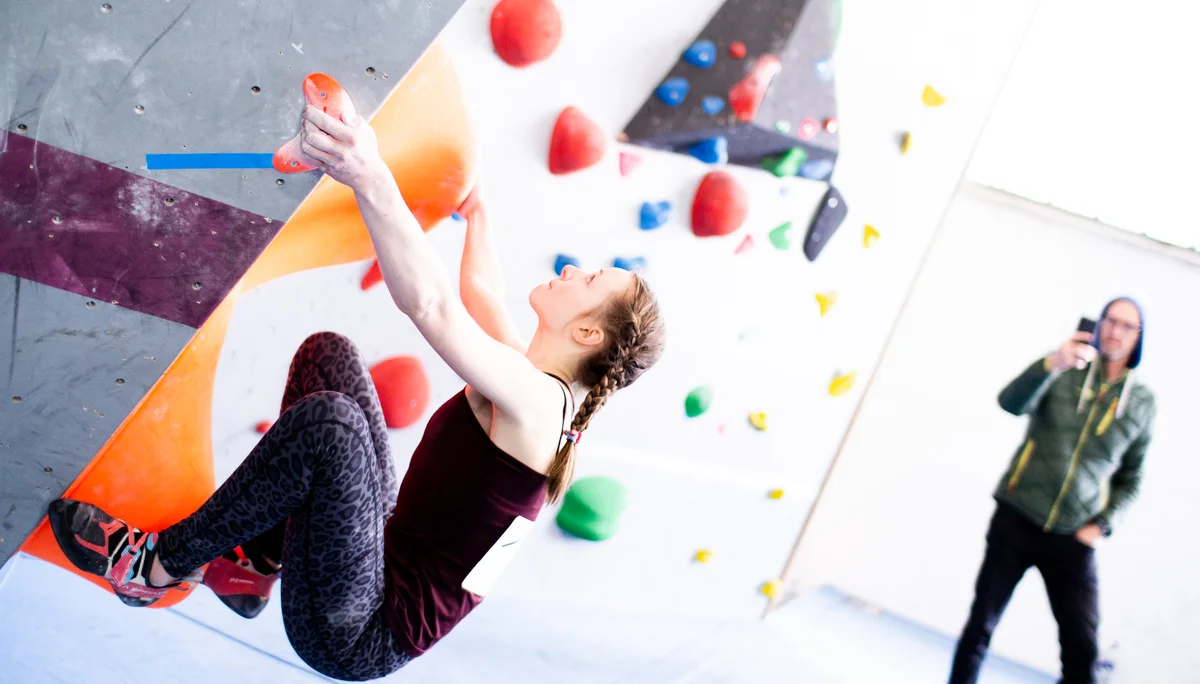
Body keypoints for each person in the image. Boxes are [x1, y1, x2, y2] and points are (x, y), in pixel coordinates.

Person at [47, 99, 665, 681]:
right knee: (331, 357)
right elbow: (477, 296)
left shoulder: (540, 406)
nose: (571, 270)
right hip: (375, 559)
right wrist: (479, 214)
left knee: (333, 426)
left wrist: (366, 173)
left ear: (586, 331)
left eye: (590, 278)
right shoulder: (539, 386)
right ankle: (254, 565)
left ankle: (152, 566)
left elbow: (433, 306)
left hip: (360, 629)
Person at [948, 298, 1155, 684]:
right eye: (1110, 320)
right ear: (1099, 324)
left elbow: (1133, 479)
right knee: (981, 624)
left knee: (1082, 648)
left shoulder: (1142, 403)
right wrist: (1051, 363)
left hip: (1074, 535)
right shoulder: (1063, 367)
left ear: (1138, 337)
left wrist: (1104, 526)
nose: (1115, 331)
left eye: (1127, 326)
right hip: (1017, 516)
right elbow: (1010, 403)